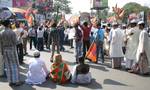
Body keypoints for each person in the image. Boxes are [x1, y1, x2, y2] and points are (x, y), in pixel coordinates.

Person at [0, 20, 24, 86]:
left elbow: (1, 43)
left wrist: (2, 51)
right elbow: (15, 42)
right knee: (15, 66)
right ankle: (16, 81)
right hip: (12, 50)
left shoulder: (1, 33)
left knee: (8, 66)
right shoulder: (11, 32)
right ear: (8, 24)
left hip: (5, 50)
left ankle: (10, 81)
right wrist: (19, 37)